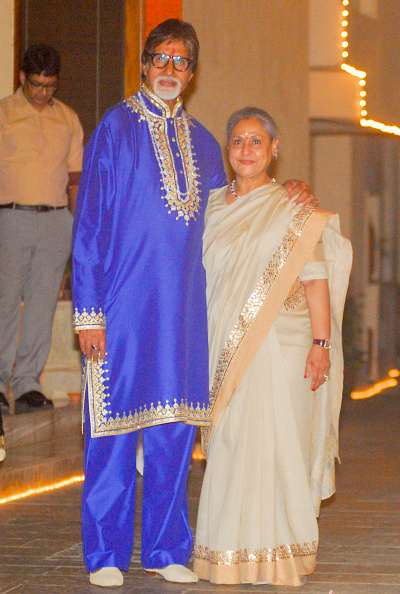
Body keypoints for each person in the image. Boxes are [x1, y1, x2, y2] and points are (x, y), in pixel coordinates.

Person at [72, 19, 315, 588]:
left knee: (175, 436)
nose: (170, 70)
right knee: (111, 435)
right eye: (161, 58)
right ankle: (104, 555)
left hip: (184, 320)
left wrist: (295, 192)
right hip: (121, 315)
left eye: (182, 62)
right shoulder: (114, 130)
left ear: (192, 72)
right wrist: (89, 313)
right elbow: (89, 228)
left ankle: (164, 547)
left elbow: (246, 203)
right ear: (144, 64)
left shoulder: (206, 143)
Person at [193, 107, 352, 586]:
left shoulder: (291, 206)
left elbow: (316, 278)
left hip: (285, 345)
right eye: (238, 141)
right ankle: (225, 552)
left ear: (274, 149)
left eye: (256, 141)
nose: (246, 150)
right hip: (223, 345)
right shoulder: (212, 206)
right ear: (228, 149)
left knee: (281, 443)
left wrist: (321, 343)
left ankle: (281, 554)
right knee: (230, 444)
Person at [0, 43, 83, 420]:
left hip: (55, 222)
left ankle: (28, 383)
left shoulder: (68, 119)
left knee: (41, 305)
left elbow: (75, 181)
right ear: (22, 78)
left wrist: (77, 224)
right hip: (11, 217)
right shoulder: (3, 114)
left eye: (50, 85)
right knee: (4, 302)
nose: (43, 93)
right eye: (36, 84)